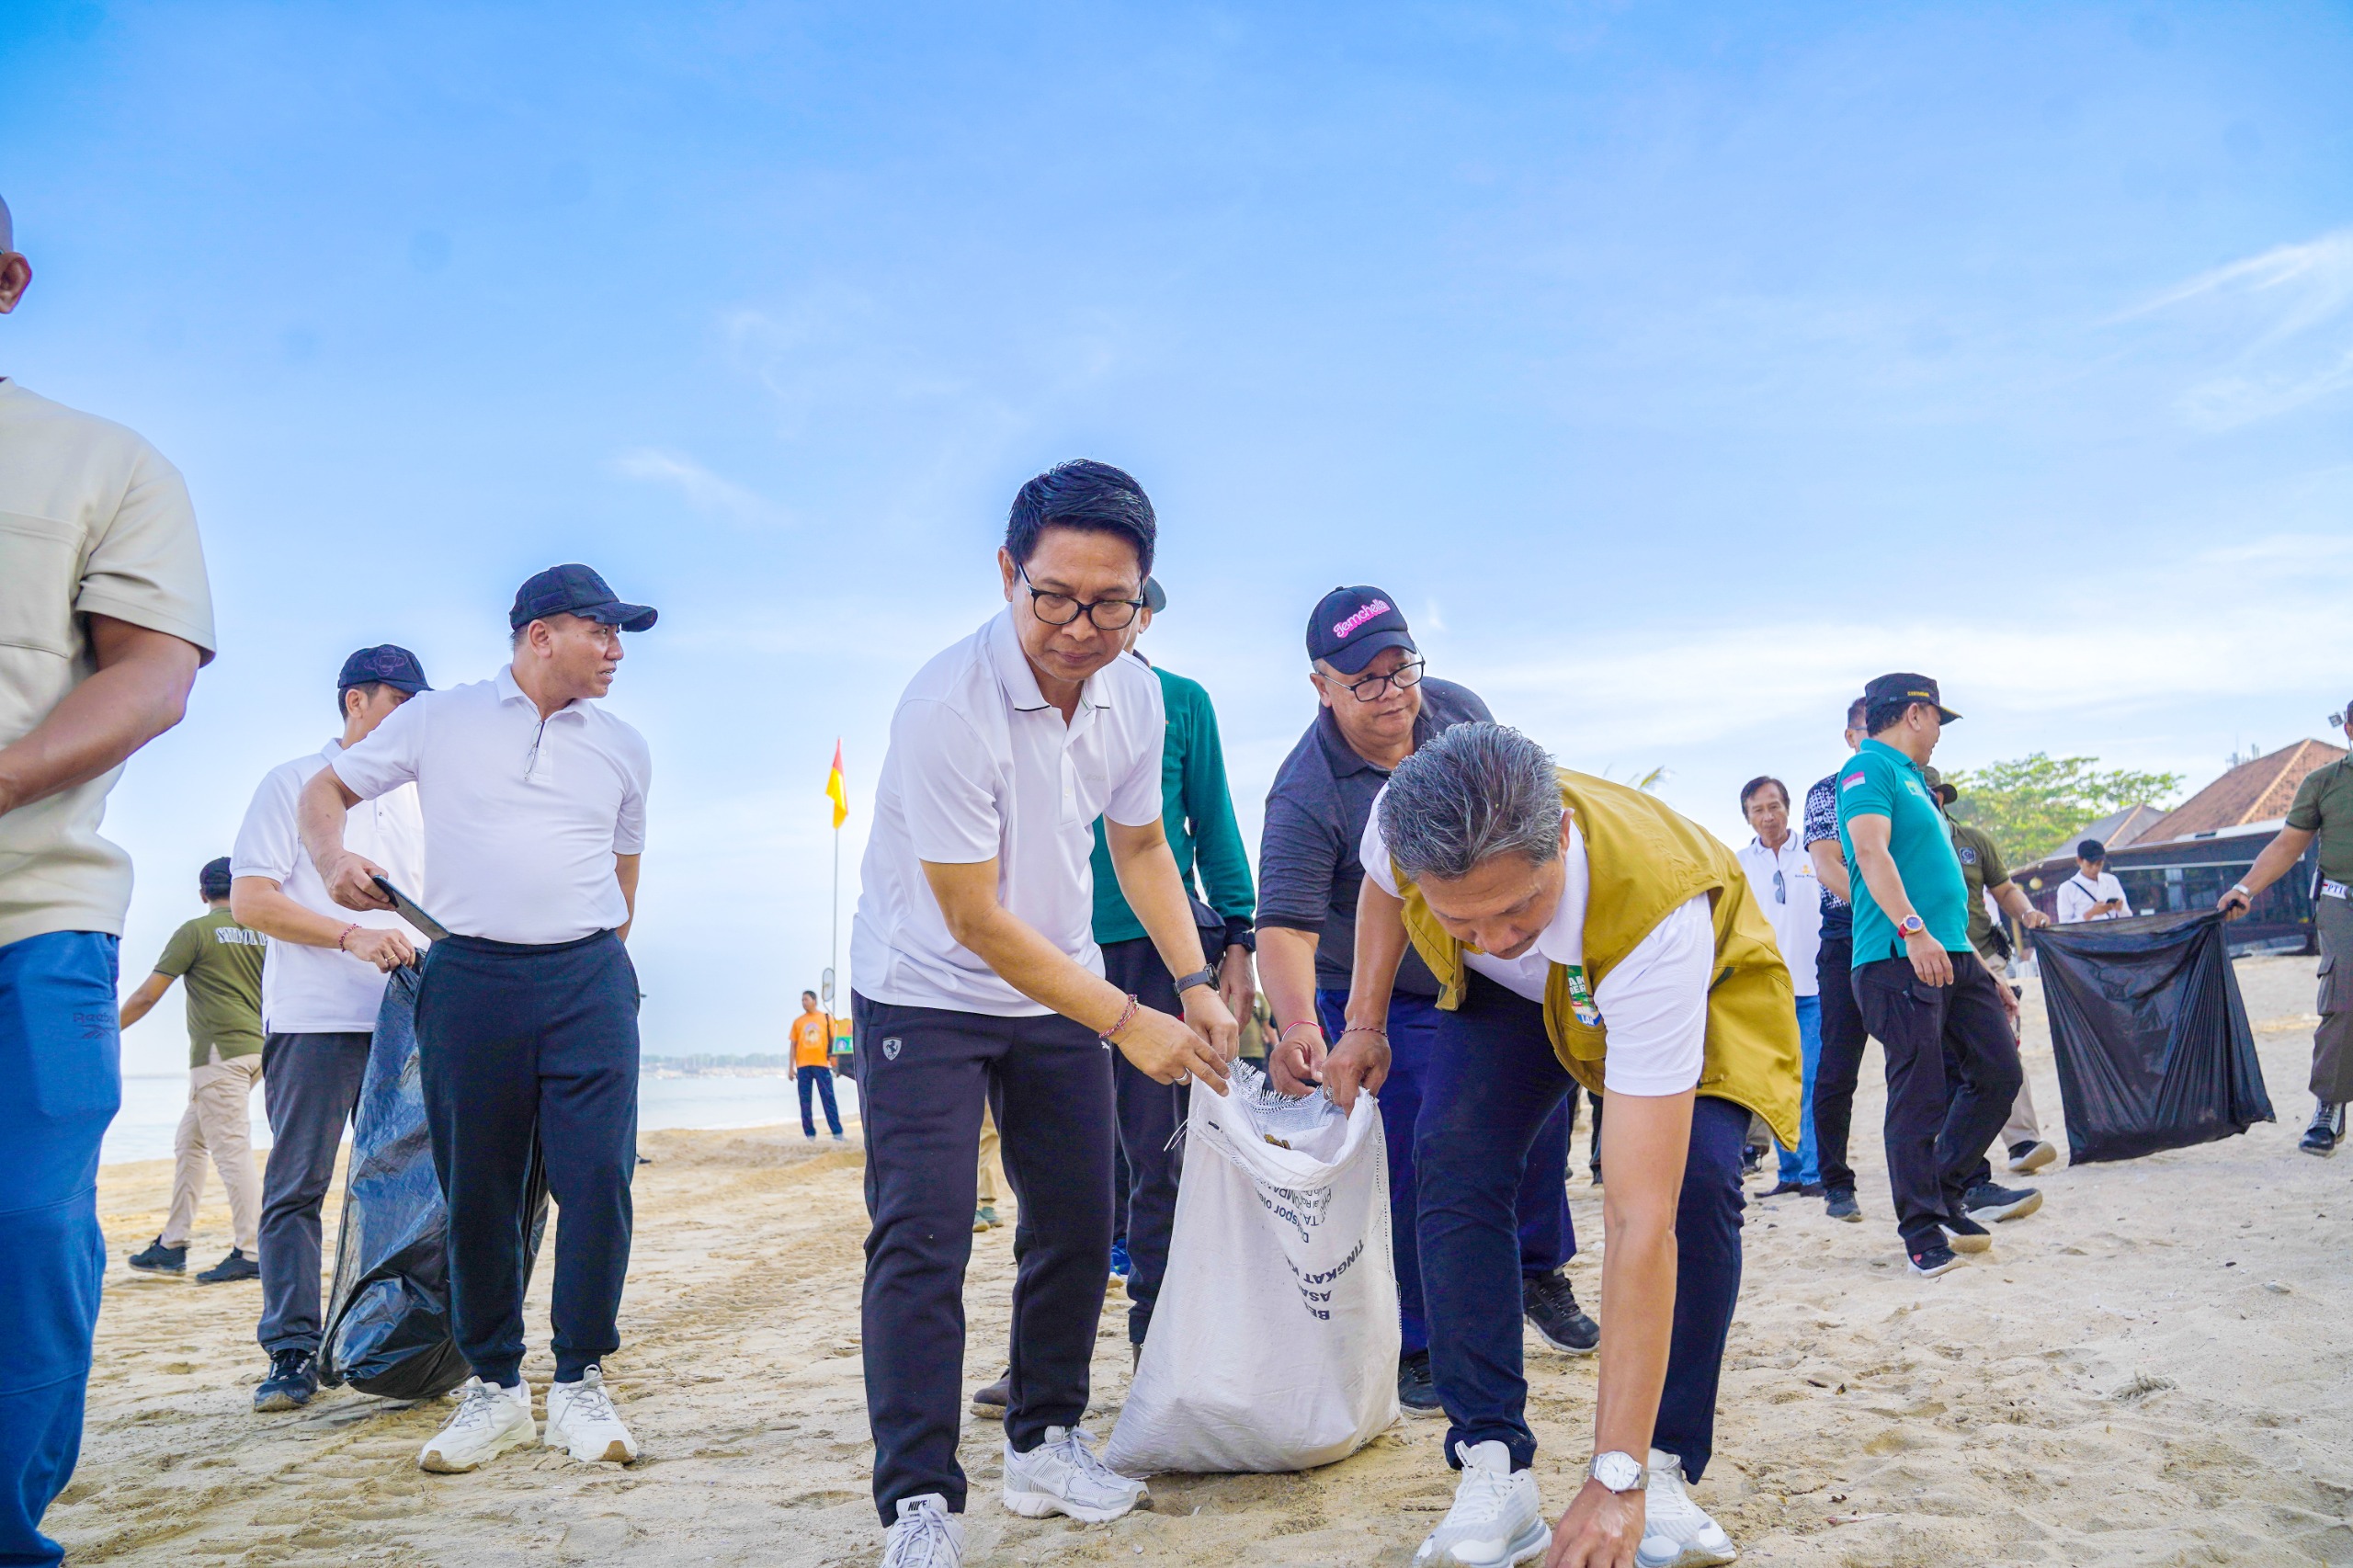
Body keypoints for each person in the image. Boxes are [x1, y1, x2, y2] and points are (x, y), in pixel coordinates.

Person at [847, 460, 1238, 1568]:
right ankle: (918, 1500)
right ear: (1008, 572)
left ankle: (1045, 1438)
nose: (1079, 626)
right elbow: (970, 916)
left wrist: (1195, 980)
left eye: (1111, 602)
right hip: (926, 988)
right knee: (920, 1233)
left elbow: (1143, 843)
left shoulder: (1137, 690)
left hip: (1058, 977)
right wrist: (1129, 1017)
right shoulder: (943, 704)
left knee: (1077, 1213)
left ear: (1143, 597)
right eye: (1054, 596)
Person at [1328, 722, 1798, 1568]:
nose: (1499, 937)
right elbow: (1376, 891)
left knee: (1692, 1188)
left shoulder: (1658, 913)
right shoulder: (1402, 818)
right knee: (1451, 1160)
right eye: (1460, 917)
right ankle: (1493, 1465)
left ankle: (1659, 1467)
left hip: (1687, 987)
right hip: (1516, 1006)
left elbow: (1636, 1216)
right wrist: (1364, 1019)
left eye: (1518, 906)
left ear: (1564, 840)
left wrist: (1613, 1476)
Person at [298, 563, 654, 1473]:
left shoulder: (623, 743)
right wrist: (334, 857)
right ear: (540, 633)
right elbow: (325, 792)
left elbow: (624, 880)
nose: (616, 650)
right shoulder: (440, 716)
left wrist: (593, 958)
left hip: (587, 979)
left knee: (597, 1183)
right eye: (601, 630)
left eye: (621, 635)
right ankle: (494, 1388)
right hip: (470, 978)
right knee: (481, 1194)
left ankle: (579, 1381)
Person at [0, 191, 215, 1568]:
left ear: (7, 278)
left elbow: (151, 670)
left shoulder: (102, 461)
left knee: (25, 1229)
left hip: (34, 909)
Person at [1257, 587, 1591, 1425]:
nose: (1392, 692)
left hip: (1485, 960)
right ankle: (1421, 1337)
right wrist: (1305, 1024)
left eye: (1400, 667)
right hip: (1383, 985)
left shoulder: (1458, 712)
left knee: (1546, 1107)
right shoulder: (1304, 792)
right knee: (1421, 1147)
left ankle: (1537, 1270)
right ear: (1320, 685)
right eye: (1364, 680)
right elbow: (1286, 927)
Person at [228, 644, 431, 1412]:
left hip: (405, 1019)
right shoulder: (290, 784)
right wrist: (349, 935)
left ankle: (393, 1344)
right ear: (356, 702)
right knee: (299, 1186)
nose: (411, 719)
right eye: (399, 703)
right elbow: (251, 902)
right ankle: (289, 1351)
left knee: (411, 1190)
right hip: (314, 1020)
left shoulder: (417, 800)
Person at [1084, 574, 1257, 1358]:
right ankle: (1045, 1354)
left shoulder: (1179, 701)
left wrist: (1239, 939)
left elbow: (1212, 817)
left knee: (1159, 1152)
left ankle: (1156, 1339)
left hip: (1159, 946)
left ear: (1143, 617)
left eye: (1128, 604)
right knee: (1061, 1156)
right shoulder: (1029, 701)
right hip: (1051, 949)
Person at [1835, 674, 2043, 1279]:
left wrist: (1983, 968)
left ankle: (1947, 1187)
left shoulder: (1917, 784)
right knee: (1919, 1092)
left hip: (1953, 953)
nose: (1938, 738)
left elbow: (1945, 887)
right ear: (1917, 714)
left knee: (1998, 1072)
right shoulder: (1866, 770)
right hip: (1896, 955)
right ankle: (1921, 1226)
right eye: (1937, 723)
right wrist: (1911, 928)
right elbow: (1870, 854)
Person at [119, 859, 267, 1285]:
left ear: (203, 893)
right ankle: (172, 1244)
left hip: (219, 1056)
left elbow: (148, 995)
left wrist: (104, 1034)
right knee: (190, 1143)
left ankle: (253, 1250)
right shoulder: (264, 933)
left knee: (232, 1152)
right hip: (257, 1051)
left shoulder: (196, 931)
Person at [2218, 701, 2353, 1155]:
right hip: (2343, 904)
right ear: (2350, 728)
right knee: (2344, 1002)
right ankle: (2329, 1107)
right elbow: (2287, 844)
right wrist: (2245, 887)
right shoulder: (2324, 783)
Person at [1929, 779, 2057, 1176]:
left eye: (1934, 793)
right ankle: (1956, 1156)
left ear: (1941, 798)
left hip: (1984, 958)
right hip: (1931, 960)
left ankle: (2023, 1142)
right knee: (1944, 1062)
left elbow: (2004, 889)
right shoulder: (1902, 843)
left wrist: (2029, 913)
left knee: (2002, 1049)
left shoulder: (1973, 840)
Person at [1801, 699, 1871, 1223]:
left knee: (1935, 1054)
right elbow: (1828, 866)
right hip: (1850, 934)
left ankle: (1958, 1173)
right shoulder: (1828, 792)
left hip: (1911, 931)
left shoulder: (1912, 787)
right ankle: (1835, 1183)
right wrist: (1891, 911)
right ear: (1850, 737)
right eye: (1868, 732)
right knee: (1837, 1065)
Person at [1734, 776, 1823, 1197]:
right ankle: (1789, 1173)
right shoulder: (1738, 865)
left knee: (1811, 1082)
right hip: (1767, 992)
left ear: (1788, 807)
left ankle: (1814, 1173)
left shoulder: (1816, 852)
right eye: (1758, 810)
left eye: (1775, 806)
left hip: (1816, 987)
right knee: (1778, 1085)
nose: (1768, 816)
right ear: (1748, 817)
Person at [793, 989, 846, 1141]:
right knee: (805, 1100)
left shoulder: (826, 1018)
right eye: (802, 1000)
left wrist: (836, 1062)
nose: (804, 1002)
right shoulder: (798, 1021)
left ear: (814, 1001)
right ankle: (809, 1134)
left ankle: (837, 1133)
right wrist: (791, 1067)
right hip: (803, 1065)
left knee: (828, 1098)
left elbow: (833, 1041)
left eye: (806, 999)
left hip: (821, 1063)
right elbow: (793, 1045)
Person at [2055, 840, 2131, 924]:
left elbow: (2127, 917)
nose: (2095, 868)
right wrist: (2091, 913)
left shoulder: (2111, 881)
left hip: (2110, 934)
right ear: (2079, 861)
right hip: (2084, 936)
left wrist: (2120, 908)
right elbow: (2064, 926)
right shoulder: (2067, 888)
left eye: (2099, 864)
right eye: (2090, 864)